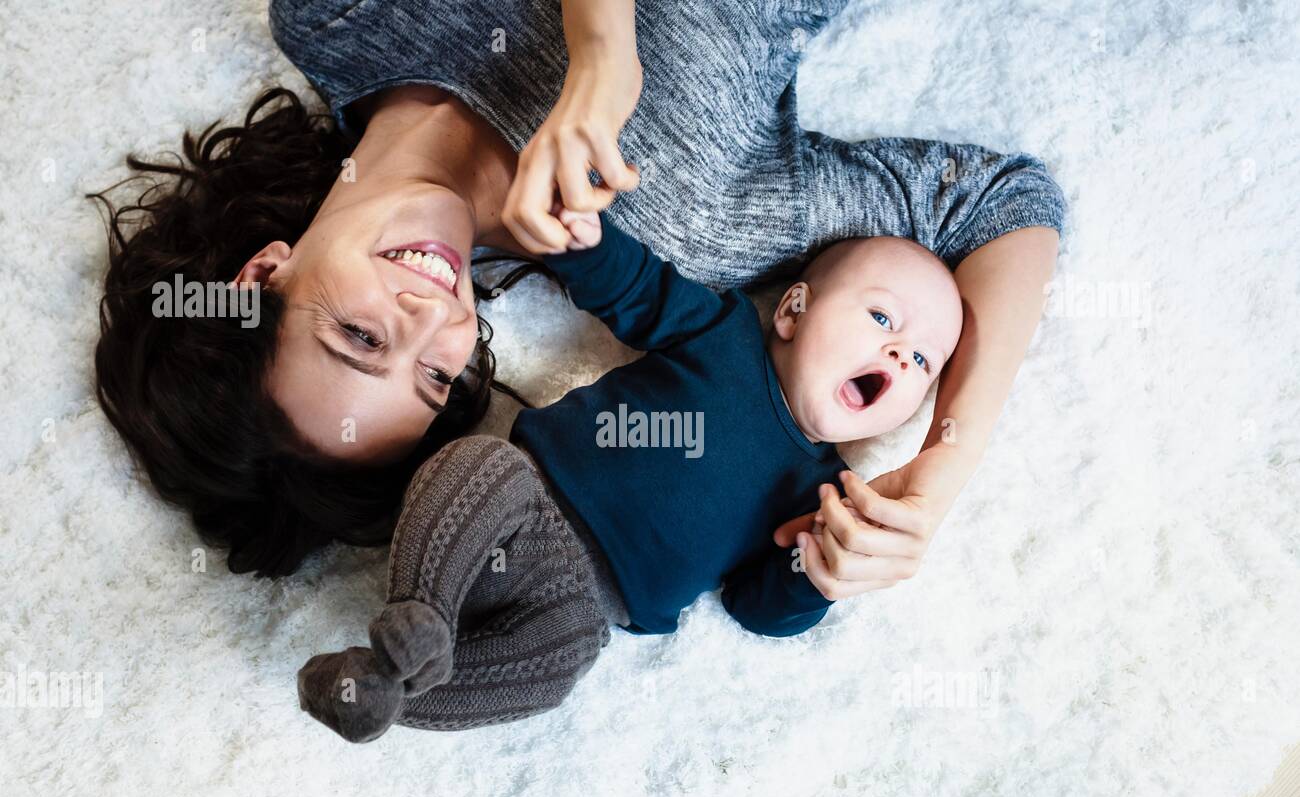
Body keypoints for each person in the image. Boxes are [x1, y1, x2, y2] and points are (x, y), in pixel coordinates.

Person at [91, 0, 1064, 602]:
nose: (430, 311)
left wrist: (602, 46)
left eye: (358, 333)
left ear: (260, 275)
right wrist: (934, 480)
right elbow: (1003, 206)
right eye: (434, 373)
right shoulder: (677, 233)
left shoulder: (336, 15)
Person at [297, 206, 964, 740]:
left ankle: (391, 692)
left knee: (557, 669)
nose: (901, 354)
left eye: (924, 363)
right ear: (793, 310)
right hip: (530, 496)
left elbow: (756, 605)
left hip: (585, 603)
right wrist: (581, 237)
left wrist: (815, 575)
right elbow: (637, 289)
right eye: (882, 319)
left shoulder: (822, 493)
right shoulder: (722, 332)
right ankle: (423, 607)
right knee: (477, 466)